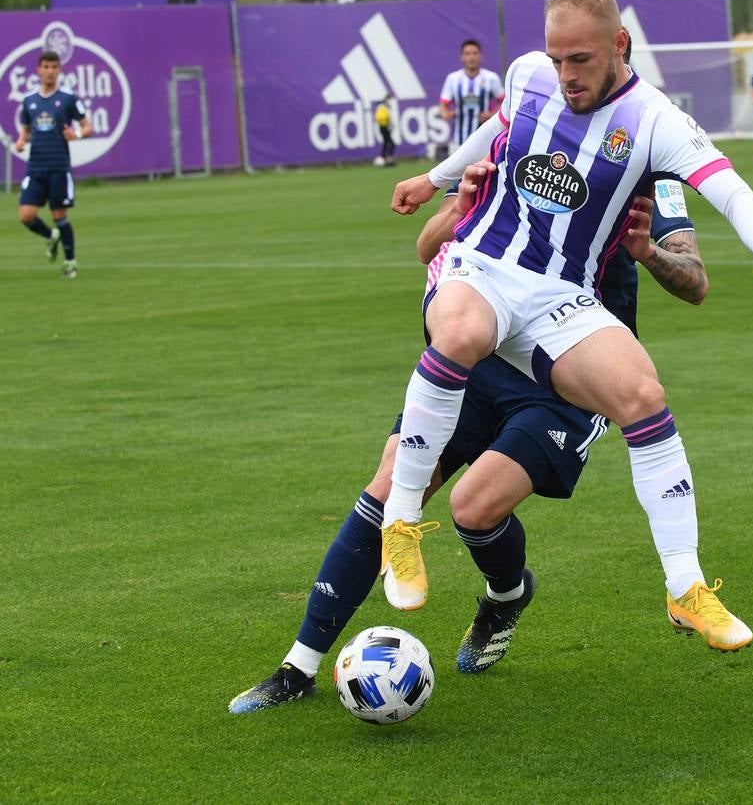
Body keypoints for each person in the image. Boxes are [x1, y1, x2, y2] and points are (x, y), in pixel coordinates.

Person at [383, 0, 753, 655]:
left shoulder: (655, 121)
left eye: (581, 60)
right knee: (463, 332)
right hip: (486, 267)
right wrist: (434, 178)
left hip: (562, 295)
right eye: (557, 58)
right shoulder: (530, 73)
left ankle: (685, 588)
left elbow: (732, 192)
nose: (565, 75)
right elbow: (497, 128)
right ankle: (402, 521)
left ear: (619, 43)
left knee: (642, 393)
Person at [228, 175, 709, 712]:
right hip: (480, 362)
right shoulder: (513, 141)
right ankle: (299, 667)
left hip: (568, 380)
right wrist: (463, 210)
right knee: (387, 490)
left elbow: (695, 282)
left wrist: (646, 253)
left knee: (474, 507)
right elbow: (425, 245)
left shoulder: (643, 163)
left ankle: (506, 596)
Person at [13, 50, 92, 279]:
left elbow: (88, 127)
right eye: (46, 67)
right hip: (35, 167)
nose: (50, 71)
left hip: (58, 166)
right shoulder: (29, 100)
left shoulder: (68, 98)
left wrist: (75, 134)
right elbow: (26, 132)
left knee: (60, 215)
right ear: (38, 70)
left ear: (60, 70)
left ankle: (70, 262)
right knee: (26, 216)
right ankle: (51, 236)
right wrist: (20, 142)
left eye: (54, 67)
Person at [439, 39, 504, 152]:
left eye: (475, 53)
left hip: (484, 141)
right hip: (459, 141)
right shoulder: (453, 79)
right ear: (462, 57)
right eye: (467, 54)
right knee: (458, 170)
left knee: (484, 169)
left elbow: (504, 102)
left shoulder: (491, 78)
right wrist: (445, 114)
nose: (471, 57)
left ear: (481, 56)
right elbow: (443, 104)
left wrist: (492, 114)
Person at [374, 94, 396, 167]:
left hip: (385, 127)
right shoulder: (382, 106)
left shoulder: (385, 106)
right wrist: (387, 120)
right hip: (383, 127)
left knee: (386, 143)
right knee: (391, 143)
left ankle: (385, 158)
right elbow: (378, 117)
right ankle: (388, 159)